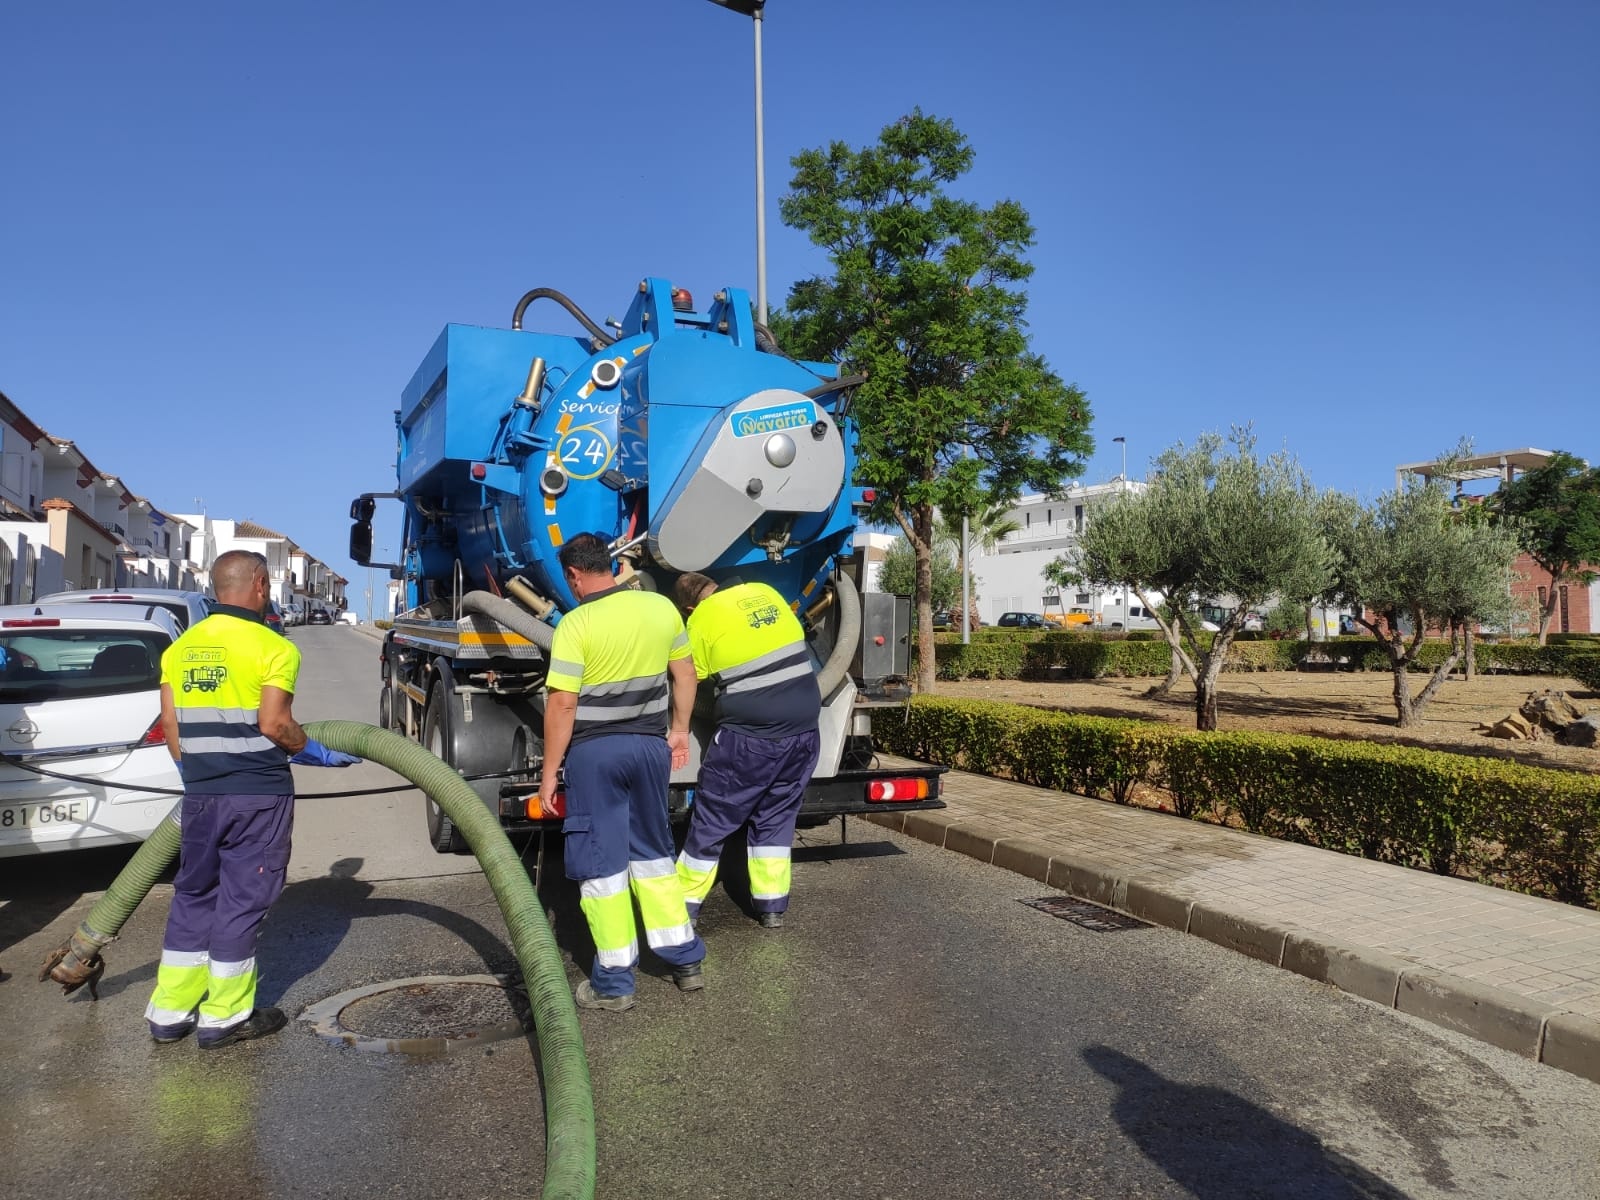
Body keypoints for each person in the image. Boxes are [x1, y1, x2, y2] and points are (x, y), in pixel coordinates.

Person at [144, 550, 359, 1049]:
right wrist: (317, 752)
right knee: (243, 900)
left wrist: (198, 773)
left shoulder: (182, 648)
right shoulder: (273, 647)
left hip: (200, 794)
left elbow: (172, 728)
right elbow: (275, 724)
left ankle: (171, 1012)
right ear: (261, 585)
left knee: (195, 896)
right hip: (257, 795)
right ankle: (224, 1017)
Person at [540, 533, 706, 1012]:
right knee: (654, 854)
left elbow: (563, 703)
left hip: (597, 755)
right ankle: (684, 960)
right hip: (650, 749)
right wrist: (679, 730)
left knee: (602, 865)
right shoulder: (659, 608)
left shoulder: (576, 624)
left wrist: (551, 771)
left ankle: (614, 983)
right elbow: (686, 674)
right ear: (609, 565)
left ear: (574, 576)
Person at [671, 572, 822, 930]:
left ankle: (682, 907)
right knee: (777, 815)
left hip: (751, 738)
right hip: (804, 730)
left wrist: (679, 727)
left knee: (714, 819)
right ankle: (771, 907)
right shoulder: (765, 589)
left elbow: (692, 676)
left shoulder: (702, 618)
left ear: (690, 608)